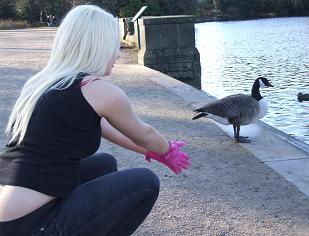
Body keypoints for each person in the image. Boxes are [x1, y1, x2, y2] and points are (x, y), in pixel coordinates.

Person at [0, 5, 190, 236]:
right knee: (146, 182)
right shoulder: (97, 89)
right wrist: (168, 150)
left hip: (10, 216)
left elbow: (105, 127)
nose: (118, 53)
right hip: (33, 224)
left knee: (105, 164)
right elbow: (145, 134)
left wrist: (151, 152)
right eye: (114, 45)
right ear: (98, 46)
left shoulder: (46, 82)